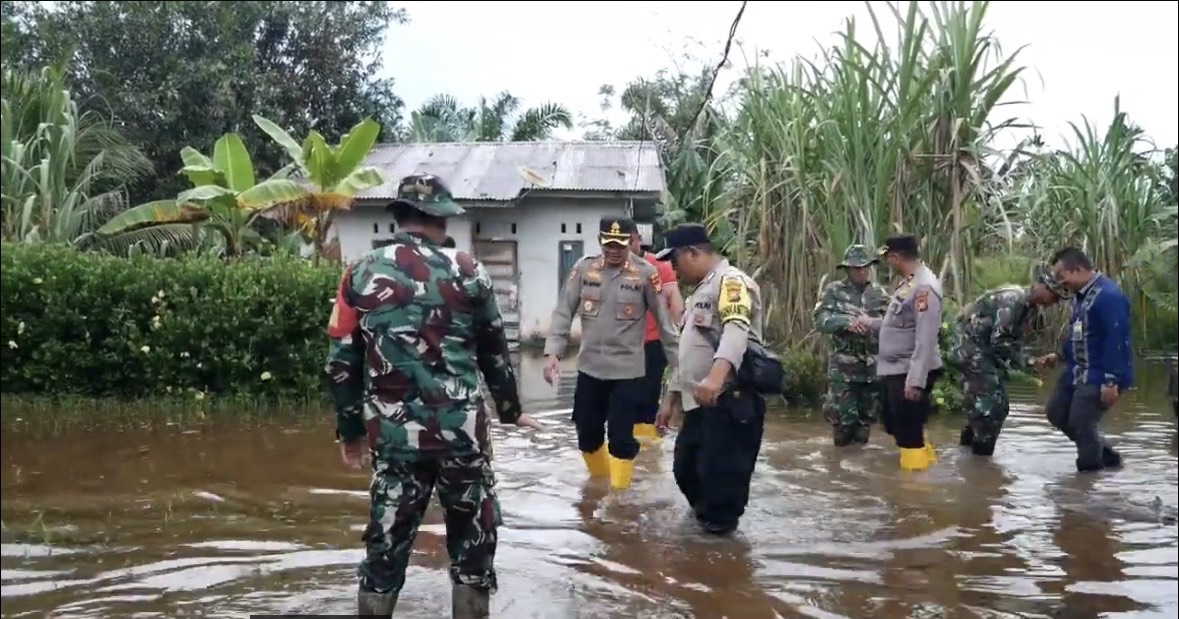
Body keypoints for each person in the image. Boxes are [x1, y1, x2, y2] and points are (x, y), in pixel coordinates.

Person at [325, 173, 542, 618]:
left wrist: (350, 432)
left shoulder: (360, 273)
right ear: (440, 219)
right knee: (473, 544)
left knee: (385, 546)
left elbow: (341, 362)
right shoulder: (469, 270)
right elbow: (494, 351)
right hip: (461, 436)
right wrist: (510, 410)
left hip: (393, 439)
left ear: (400, 217)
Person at [543, 217, 679, 490]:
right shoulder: (584, 269)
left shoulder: (645, 273)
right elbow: (563, 311)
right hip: (590, 368)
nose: (614, 251)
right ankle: (598, 485)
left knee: (621, 438)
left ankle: (618, 497)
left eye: (620, 245)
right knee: (587, 435)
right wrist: (552, 354)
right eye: (609, 245)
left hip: (628, 372)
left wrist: (678, 368)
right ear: (600, 241)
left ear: (630, 241)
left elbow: (664, 324)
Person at [654, 223, 766, 535]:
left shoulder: (731, 283)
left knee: (721, 484)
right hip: (699, 405)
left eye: (674, 261)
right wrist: (670, 399)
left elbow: (736, 329)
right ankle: (703, 540)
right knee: (685, 469)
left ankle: (722, 558)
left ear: (692, 253)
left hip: (729, 401)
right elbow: (686, 352)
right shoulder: (699, 293)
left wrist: (716, 379)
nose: (673, 269)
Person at [954, 266, 1073, 456]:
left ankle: (968, 457)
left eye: (1058, 298)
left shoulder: (1029, 307)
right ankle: (980, 465)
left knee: (991, 406)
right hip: (971, 350)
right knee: (992, 408)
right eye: (1053, 295)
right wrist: (1031, 361)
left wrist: (1029, 362)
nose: (1054, 301)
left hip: (985, 352)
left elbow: (1011, 342)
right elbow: (1000, 341)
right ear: (1040, 285)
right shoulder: (1014, 300)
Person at [852, 234, 942, 471]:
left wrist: (915, 381)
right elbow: (900, 326)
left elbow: (926, 338)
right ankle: (925, 468)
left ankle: (913, 494)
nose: (888, 263)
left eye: (888, 259)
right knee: (897, 426)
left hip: (908, 371)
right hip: (897, 369)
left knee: (908, 431)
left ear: (896, 257)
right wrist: (870, 323)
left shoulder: (924, 288)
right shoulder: (910, 283)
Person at [1046, 247, 1133, 472]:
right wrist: (1060, 355)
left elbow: (1116, 340)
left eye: (1060, 276)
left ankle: (1088, 479)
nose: (1059, 282)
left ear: (1077, 270)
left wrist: (1111, 381)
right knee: (1056, 412)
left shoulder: (1109, 297)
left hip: (1101, 372)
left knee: (1081, 423)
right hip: (1077, 370)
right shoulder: (1080, 297)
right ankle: (1106, 456)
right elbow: (1079, 334)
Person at [812, 244, 890, 446]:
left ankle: (858, 472)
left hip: (872, 369)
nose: (862, 271)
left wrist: (872, 325)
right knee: (843, 424)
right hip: (844, 370)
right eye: (857, 268)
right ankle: (838, 470)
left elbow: (894, 325)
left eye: (865, 267)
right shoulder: (834, 291)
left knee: (865, 425)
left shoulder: (879, 293)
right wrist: (846, 323)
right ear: (847, 269)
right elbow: (820, 320)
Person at [630, 227, 685, 447]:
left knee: (648, 396)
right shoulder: (612, 268)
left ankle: (647, 449)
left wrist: (679, 331)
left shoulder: (659, 265)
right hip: (623, 345)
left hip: (653, 342)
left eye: (628, 241)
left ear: (637, 240)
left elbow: (673, 297)